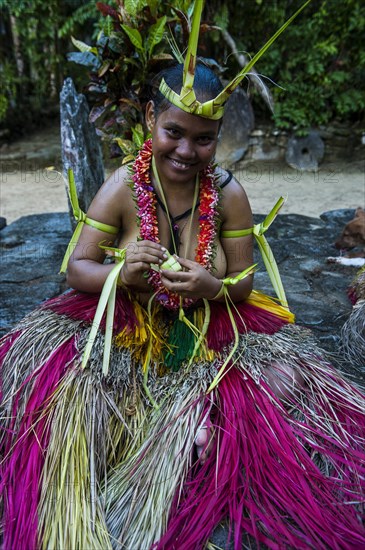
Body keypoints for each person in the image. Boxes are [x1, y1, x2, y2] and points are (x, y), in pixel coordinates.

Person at [1, 5, 365, 550]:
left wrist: (212, 288)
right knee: (63, 392)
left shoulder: (229, 194)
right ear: (151, 118)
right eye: (175, 132)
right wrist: (123, 276)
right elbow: (77, 270)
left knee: (285, 382)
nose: (186, 151)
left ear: (219, 135)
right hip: (126, 323)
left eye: (204, 139)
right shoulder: (125, 184)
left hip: (211, 323)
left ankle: (196, 430)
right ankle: (162, 436)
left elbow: (243, 280)